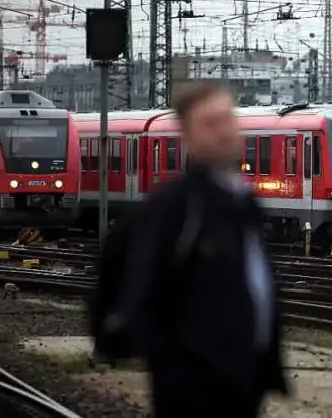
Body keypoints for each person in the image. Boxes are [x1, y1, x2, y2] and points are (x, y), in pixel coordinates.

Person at [122, 82, 288, 417]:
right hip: (193, 388)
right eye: (210, 123)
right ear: (188, 136)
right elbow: (142, 292)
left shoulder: (244, 203)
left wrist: (267, 370)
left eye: (228, 119)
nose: (224, 131)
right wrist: (174, 369)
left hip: (244, 382)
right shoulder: (173, 207)